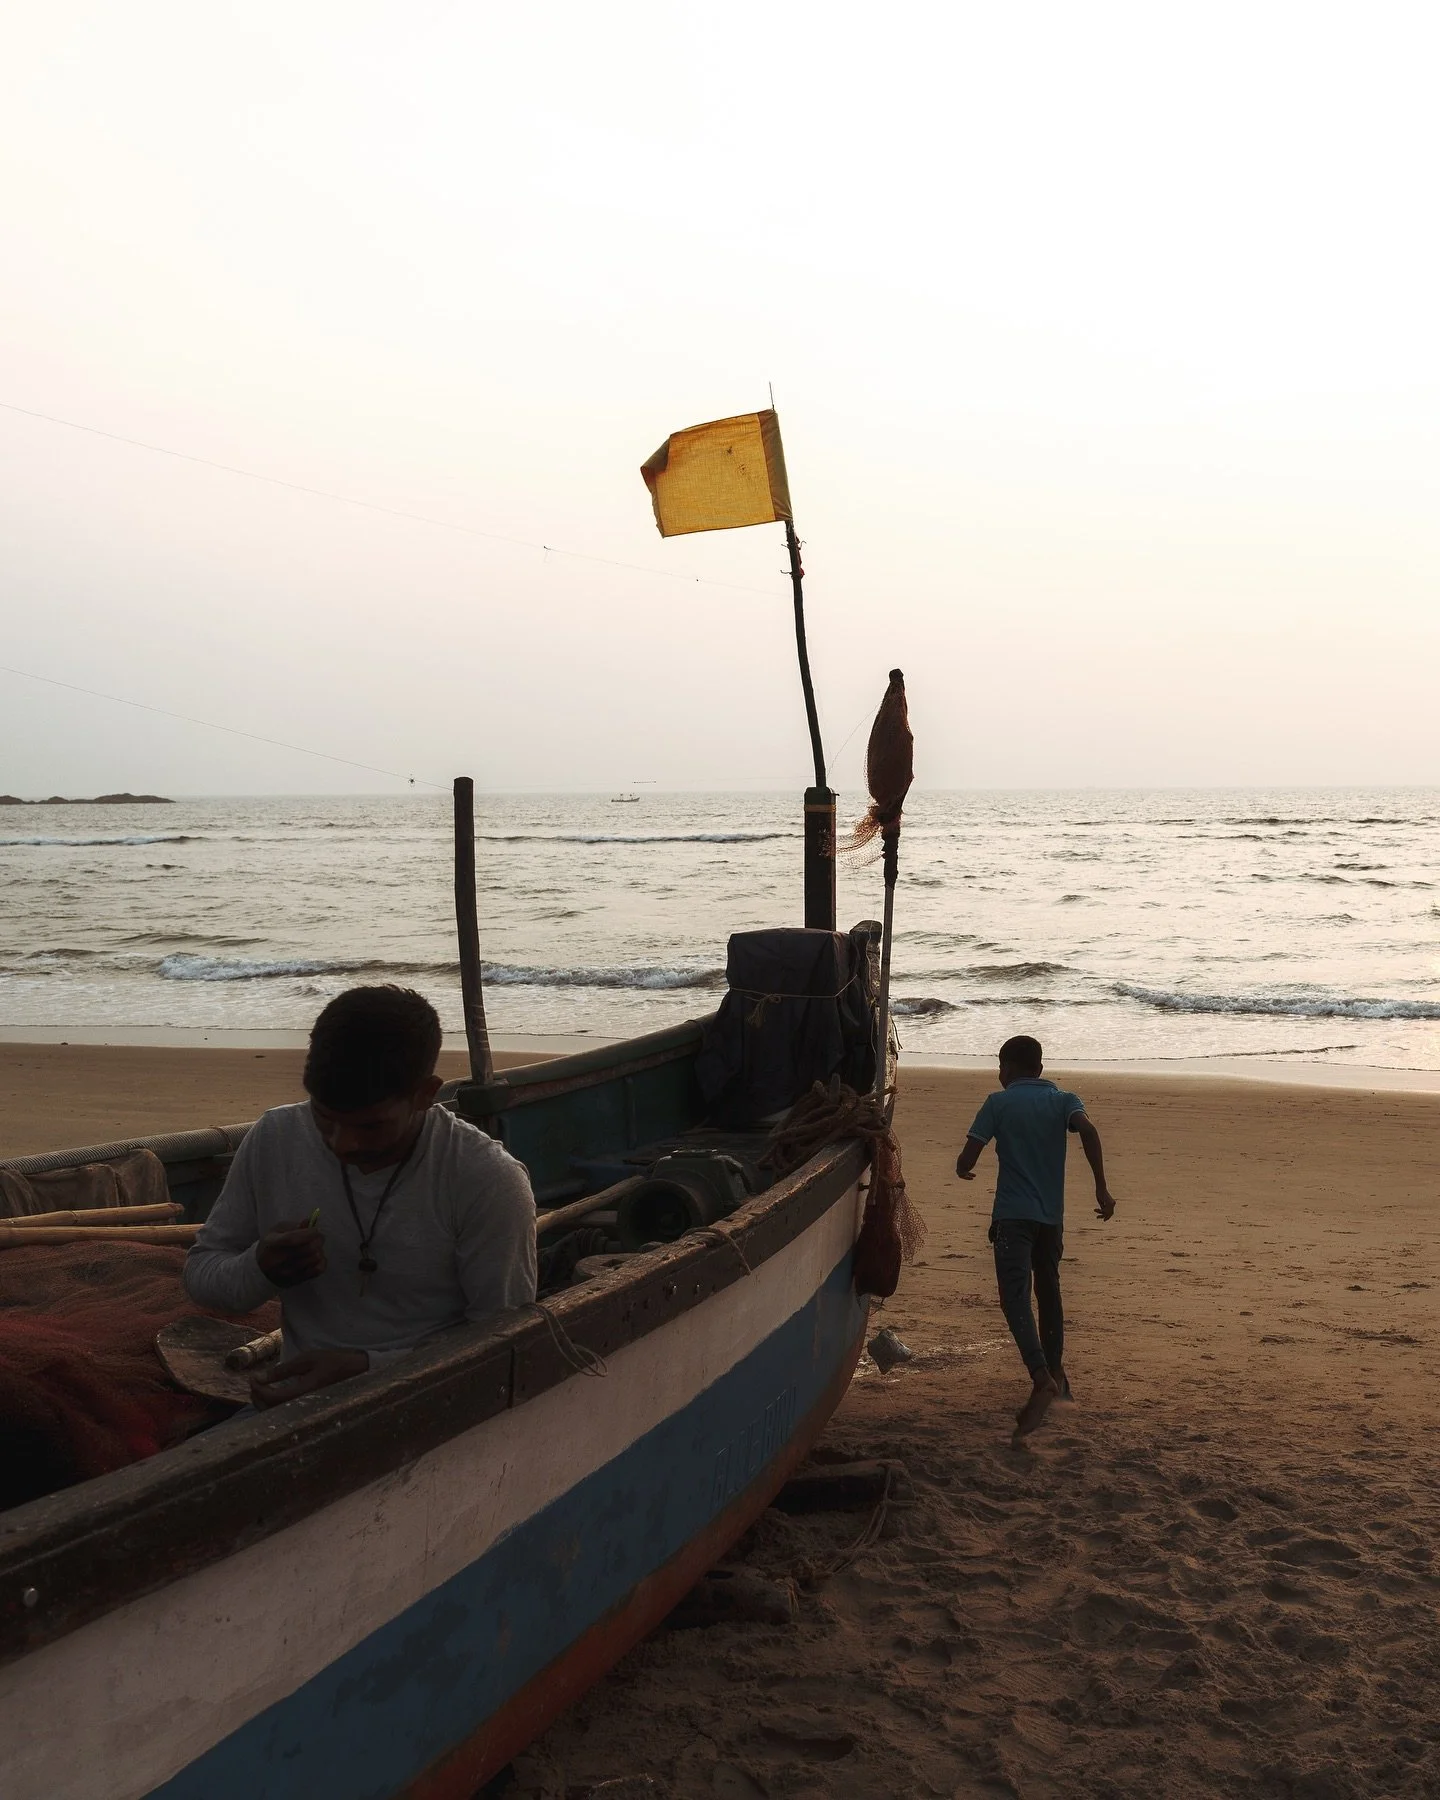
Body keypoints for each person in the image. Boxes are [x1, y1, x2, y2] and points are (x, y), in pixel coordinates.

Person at [184, 985, 537, 1408]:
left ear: (426, 1094)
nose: (341, 1144)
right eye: (324, 1119)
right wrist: (260, 1267)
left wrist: (368, 1368)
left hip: (436, 1406)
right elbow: (202, 1274)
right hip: (292, 1409)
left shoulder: (487, 1180)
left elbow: (500, 1345)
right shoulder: (275, 1138)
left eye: (370, 1127)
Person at [955, 1034, 1115, 1444]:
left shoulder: (998, 1102)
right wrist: (1101, 1187)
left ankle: (1041, 1377)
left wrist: (963, 1168)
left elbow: (969, 1154)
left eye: (1000, 1067)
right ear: (1040, 1070)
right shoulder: (1063, 1100)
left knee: (1014, 1297)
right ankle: (1058, 1377)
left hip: (1012, 1217)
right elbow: (1089, 1131)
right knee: (1049, 1292)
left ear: (1006, 1069)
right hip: (1050, 1219)